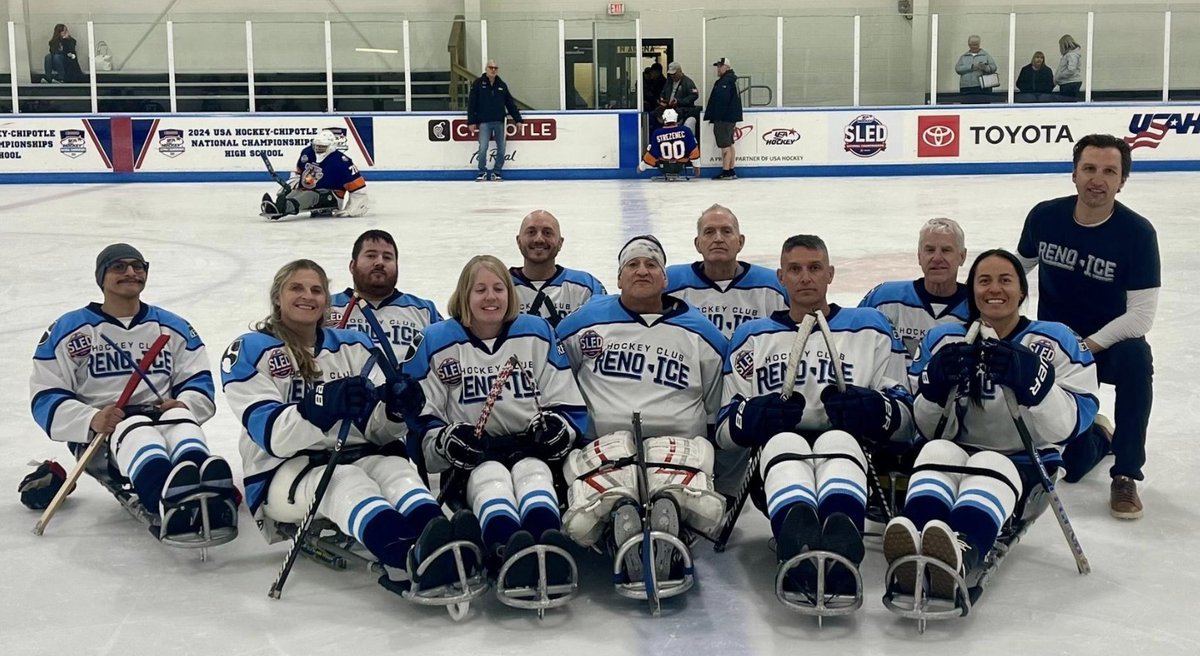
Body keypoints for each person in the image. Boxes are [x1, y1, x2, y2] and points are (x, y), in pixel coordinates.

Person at [221, 259, 472, 589]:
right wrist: (319, 409)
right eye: (296, 287)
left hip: (357, 451)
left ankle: (447, 545)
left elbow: (376, 430)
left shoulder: (352, 344)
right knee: (345, 479)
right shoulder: (251, 350)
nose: (307, 296)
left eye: (316, 290)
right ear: (277, 297)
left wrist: (396, 408)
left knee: (398, 472)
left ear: (327, 301)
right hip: (285, 470)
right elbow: (274, 437)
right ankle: (406, 556)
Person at [884, 249, 1098, 602]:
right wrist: (934, 390)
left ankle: (962, 550)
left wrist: (1039, 387)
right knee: (936, 450)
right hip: (956, 450)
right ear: (973, 292)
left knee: (991, 462)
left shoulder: (1056, 340)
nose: (994, 289)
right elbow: (924, 428)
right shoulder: (944, 339)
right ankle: (917, 535)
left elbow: (1071, 426)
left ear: (1023, 292)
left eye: (1005, 280)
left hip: (1024, 461)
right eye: (984, 280)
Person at [715, 234, 912, 601]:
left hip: (852, 455)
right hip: (772, 467)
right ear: (780, 277)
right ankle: (799, 547)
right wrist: (754, 417)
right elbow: (725, 430)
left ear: (830, 274)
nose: (805, 277)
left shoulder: (870, 328)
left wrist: (873, 410)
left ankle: (838, 550)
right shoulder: (752, 337)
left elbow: (906, 420)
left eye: (814, 268)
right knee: (784, 441)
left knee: (840, 440)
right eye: (795, 269)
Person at [28, 243, 238, 542]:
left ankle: (202, 482)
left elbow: (198, 380)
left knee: (180, 417)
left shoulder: (172, 326)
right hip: (103, 437)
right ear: (102, 277)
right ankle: (163, 499)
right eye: (119, 267)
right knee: (137, 429)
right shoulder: (70, 329)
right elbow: (45, 394)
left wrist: (185, 403)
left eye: (138, 267)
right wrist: (91, 418)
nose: (130, 272)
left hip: (162, 418)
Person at [406, 255, 586, 586]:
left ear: (510, 294)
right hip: (475, 458)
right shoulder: (437, 340)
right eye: (480, 290)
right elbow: (418, 416)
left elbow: (567, 403)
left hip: (529, 449)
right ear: (464, 295)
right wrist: (445, 441)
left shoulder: (537, 332)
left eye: (499, 288)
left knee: (534, 476)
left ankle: (545, 546)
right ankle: (506, 549)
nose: (491, 297)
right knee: (492, 480)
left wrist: (559, 428)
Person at [556, 235, 728, 583]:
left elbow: (715, 405)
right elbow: (556, 378)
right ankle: (618, 531)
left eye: (652, 265)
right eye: (632, 265)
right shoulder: (582, 324)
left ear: (665, 278)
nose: (642, 271)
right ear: (618, 278)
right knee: (596, 503)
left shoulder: (702, 333)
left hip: (677, 443)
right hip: (605, 444)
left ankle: (671, 526)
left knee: (685, 489)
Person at [1017, 134, 1159, 519]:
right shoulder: (1045, 217)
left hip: (1105, 347)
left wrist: (1088, 346)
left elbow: (1141, 315)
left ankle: (1126, 472)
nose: (1098, 179)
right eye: (1089, 169)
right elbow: (1017, 271)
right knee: (1074, 468)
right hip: (1053, 346)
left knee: (1136, 357)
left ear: (1122, 180)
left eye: (1109, 171)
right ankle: (1096, 434)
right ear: (1074, 174)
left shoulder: (1137, 234)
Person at [667, 204, 788, 340]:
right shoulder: (671, 283)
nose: (718, 239)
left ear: (740, 242)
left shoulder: (773, 285)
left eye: (726, 231)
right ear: (698, 244)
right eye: (709, 232)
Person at [859, 217, 971, 360]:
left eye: (946, 250)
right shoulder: (883, 299)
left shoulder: (976, 306)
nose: (937, 258)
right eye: (930, 250)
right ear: (919, 256)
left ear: (962, 256)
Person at [331, 229, 441, 354]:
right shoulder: (326, 307)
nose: (380, 262)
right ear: (352, 266)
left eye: (387, 257)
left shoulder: (424, 310)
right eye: (371, 256)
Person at [509, 210, 606, 327]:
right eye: (531, 232)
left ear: (560, 243)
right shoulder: (502, 286)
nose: (539, 239)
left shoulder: (586, 287)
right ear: (518, 241)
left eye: (547, 233)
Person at [259, 129, 368, 220]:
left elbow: (359, 188)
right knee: (290, 192)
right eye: (316, 146)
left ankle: (282, 208)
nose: (318, 149)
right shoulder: (308, 152)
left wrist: (352, 210)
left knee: (307, 196)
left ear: (331, 146)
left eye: (322, 147)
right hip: (308, 189)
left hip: (331, 196)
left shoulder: (342, 162)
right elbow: (298, 173)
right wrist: (293, 184)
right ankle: (277, 205)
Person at [467, 59, 523, 182]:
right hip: (484, 122)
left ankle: (497, 172)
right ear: (486, 69)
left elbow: (510, 103)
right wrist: (471, 121)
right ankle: (482, 171)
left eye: (495, 68)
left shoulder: (502, 85)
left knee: (501, 148)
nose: (493, 70)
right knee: (483, 147)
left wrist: (518, 120)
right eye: (491, 68)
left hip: (499, 122)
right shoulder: (478, 84)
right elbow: (472, 103)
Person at [705, 57, 743, 180]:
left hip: (724, 119)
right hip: (729, 118)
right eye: (717, 66)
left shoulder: (725, 81)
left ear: (726, 67)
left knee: (725, 144)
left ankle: (726, 171)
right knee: (730, 143)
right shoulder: (731, 80)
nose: (718, 68)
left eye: (720, 66)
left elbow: (722, 101)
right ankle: (731, 170)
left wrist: (717, 117)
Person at [638, 108, 702, 179]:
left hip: (664, 166)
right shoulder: (686, 131)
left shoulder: (657, 133)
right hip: (681, 165)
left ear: (664, 118)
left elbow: (652, 154)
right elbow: (694, 151)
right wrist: (697, 168)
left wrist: (641, 167)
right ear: (676, 117)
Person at [659, 62, 700, 136]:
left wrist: (679, 102)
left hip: (682, 108)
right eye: (671, 74)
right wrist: (662, 99)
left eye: (674, 74)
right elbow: (663, 92)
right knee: (653, 115)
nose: (672, 76)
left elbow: (694, 95)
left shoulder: (688, 82)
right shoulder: (669, 81)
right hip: (668, 106)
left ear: (680, 71)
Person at [955, 35, 998, 102]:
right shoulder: (964, 57)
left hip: (981, 86)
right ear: (969, 45)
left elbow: (993, 68)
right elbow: (958, 69)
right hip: (966, 86)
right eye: (972, 45)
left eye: (976, 44)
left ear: (979, 44)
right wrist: (971, 67)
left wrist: (985, 67)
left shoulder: (986, 55)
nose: (974, 47)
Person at [1055, 35, 1083, 99]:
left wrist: (1060, 75)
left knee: (1067, 101)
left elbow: (1071, 70)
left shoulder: (1071, 55)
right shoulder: (1071, 54)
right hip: (1068, 82)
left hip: (1069, 83)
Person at [643, 62, 666, 129]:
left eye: (652, 72)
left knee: (652, 117)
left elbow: (659, 95)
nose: (651, 74)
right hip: (654, 104)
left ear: (657, 72)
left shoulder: (661, 82)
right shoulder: (653, 81)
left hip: (658, 105)